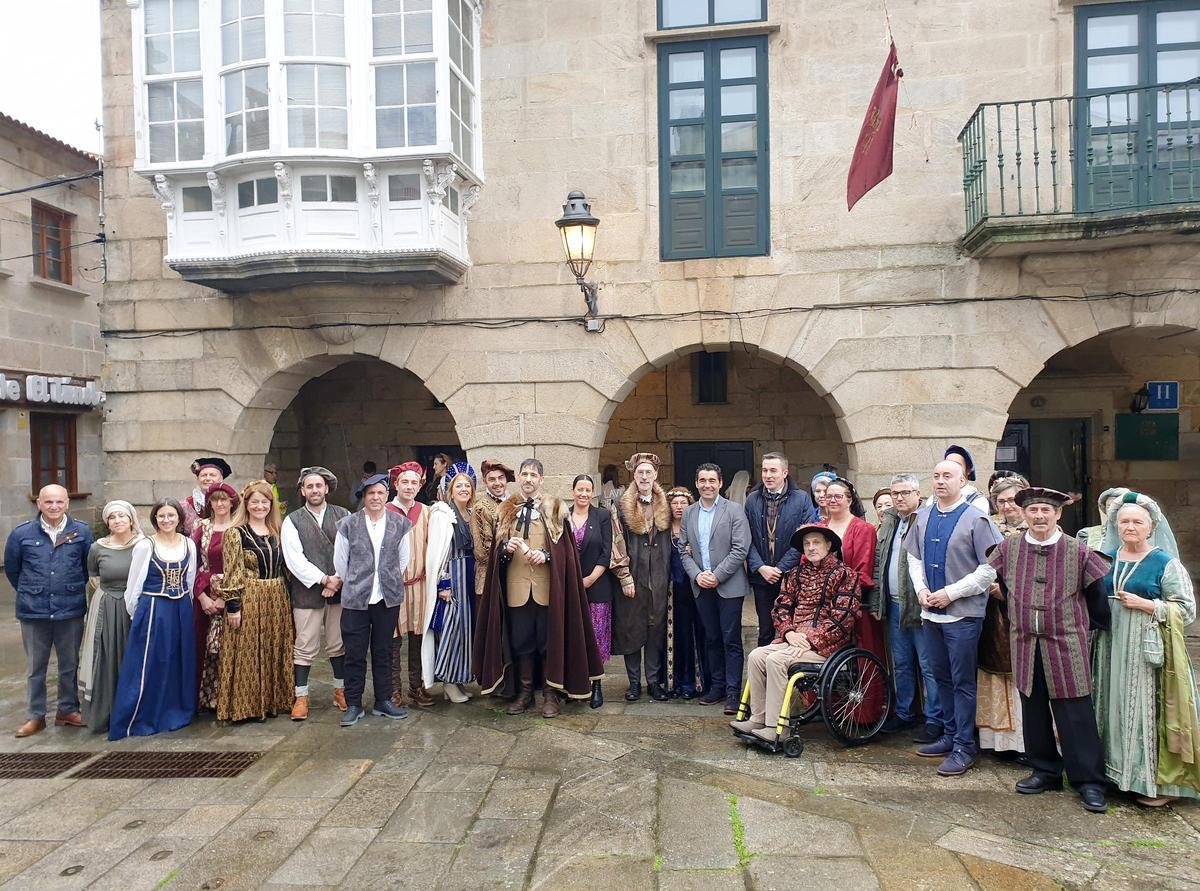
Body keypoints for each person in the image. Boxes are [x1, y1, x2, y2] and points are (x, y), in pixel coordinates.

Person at [988, 487, 1111, 814]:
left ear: (1058, 514)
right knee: (1034, 709)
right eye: (1033, 510)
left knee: (1075, 714)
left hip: (1066, 643)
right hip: (1026, 643)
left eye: (1046, 510)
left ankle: (1089, 782)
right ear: (1024, 514)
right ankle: (1045, 771)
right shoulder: (1007, 548)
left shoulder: (1079, 552)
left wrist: (1086, 627)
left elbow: (1097, 597)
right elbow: (1003, 586)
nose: (1039, 516)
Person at [1093, 492, 1200, 806]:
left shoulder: (1165, 563)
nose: (1129, 526)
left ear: (1150, 526)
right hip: (1110, 644)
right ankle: (1116, 775)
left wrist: (1148, 605)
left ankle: (1153, 782)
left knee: (1144, 709)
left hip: (1147, 650)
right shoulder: (1106, 558)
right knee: (1110, 706)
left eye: (1137, 521)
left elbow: (1187, 609)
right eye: (1124, 521)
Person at [474, 458, 602, 717]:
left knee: (547, 642)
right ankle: (524, 693)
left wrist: (546, 555)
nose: (529, 479)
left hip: (546, 589)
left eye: (534, 474)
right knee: (522, 642)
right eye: (525, 474)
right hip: (516, 589)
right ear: (519, 478)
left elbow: (566, 553)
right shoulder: (506, 510)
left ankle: (550, 694)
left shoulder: (555, 508)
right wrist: (505, 550)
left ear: (541, 479)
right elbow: (495, 556)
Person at [905, 460, 1003, 777]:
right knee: (940, 676)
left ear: (963, 481)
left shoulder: (977, 518)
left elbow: (989, 568)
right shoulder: (922, 515)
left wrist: (951, 593)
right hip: (930, 613)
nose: (940, 481)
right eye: (935, 476)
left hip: (963, 615)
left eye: (948, 476)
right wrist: (920, 589)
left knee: (962, 681)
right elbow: (913, 556)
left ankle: (964, 746)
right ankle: (948, 735)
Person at [732, 525, 860, 742]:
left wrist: (809, 640)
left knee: (776, 660)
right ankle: (759, 718)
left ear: (828, 546)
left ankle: (777, 728)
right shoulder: (795, 574)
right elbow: (780, 608)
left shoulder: (845, 575)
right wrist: (789, 632)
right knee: (756, 656)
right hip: (793, 639)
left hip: (826, 646)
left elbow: (842, 618)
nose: (811, 548)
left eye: (816, 542)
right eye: (806, 544)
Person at [5, 484, 93, 737]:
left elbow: (88, 567)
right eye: (48, 502)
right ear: (39, 504)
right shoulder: (22, 534)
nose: (54, 507)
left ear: (67, 503)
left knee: (69, 663)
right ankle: (36, 716)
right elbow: (13, 570)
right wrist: (33, 590)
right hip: (34, 611)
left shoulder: (81, 532)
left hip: (70, 609)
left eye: (59, 502)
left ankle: (67, 709)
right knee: (36, 666)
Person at [109, 498, 197, 740]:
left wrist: (186, 609)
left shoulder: (189, 544)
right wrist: (136, 614)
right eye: (161, 516)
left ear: (180, 518)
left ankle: (175, 711)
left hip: (180, 608)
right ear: (155, 519)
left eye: (171, 515)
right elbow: (134, 584)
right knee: (149, 663)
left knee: (176, 660)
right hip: (153, 609)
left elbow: (189, 580)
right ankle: (141, 716)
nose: (166, 520)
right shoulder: (145, 546)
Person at [333, 472, 412, 726]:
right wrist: (358, 581)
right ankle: (354, 703)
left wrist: (385, 579)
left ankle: (383, 700)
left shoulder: (400, 524)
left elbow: (403, 560)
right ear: (364, 497)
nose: (376, 497)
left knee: (384, 651)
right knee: (354, 653)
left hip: (387, 598)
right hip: (356, 599)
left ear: (387, 496)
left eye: (380, 493)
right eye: (371, 493)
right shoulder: (348, 524)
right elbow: (340, 562)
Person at [217, 480, 294, 722]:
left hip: (278, 596)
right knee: (249, 650)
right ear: (246, 504)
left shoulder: (278, 532)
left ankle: (275, 701)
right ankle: (245, 706)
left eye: (265, 502)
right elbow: (231, 571)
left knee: (275, 647)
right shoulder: (235, 533)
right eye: (255, 502)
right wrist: (233, 606)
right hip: (250, 596)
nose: (260, 506)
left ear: (271, 505)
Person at [874, 474, 943, 740]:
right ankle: (904, 713)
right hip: (892, 605)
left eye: (905, 493)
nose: (899, 498)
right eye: (895, 493)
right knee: (901, 664)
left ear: (918, 494)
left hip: (919, 607)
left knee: (928, 666)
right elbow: (880, 562)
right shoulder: (890, 521)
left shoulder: (927, 519)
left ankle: (934, 719)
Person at [680, 462, 752, 716]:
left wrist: (717, 575)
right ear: (696, 483)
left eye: (712, 480)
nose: (707, 485)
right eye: (702, 480)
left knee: (731, 638)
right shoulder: (689, 513)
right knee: (711, 638)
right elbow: (683, 548)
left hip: (729, 586)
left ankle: (733, 691)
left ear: (721, 483)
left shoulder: (734, 510)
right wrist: (698, 575)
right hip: (701, 586)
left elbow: (740, 548)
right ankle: (717, 686)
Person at [280, 467, 351, 720]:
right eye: (309, 486)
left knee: (337, 643)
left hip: (339, 590)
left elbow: (350, 552)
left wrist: (336, 580)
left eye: (318, 486)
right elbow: (293, 559)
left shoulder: (343, 515)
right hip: (307, 591)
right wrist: (323, 579)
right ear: (302, 490)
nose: (314, 490)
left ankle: (340, 691)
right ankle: (301, 696)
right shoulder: (292, 520)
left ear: (326, 488)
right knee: (305, 645)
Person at [820, 478, 885, 724]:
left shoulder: (863, 529)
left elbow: (862, 570)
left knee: (861, 658)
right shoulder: (818, 526)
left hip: (855, 604)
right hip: (822, 605)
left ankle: (864, 713)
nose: (833, 500)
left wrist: (838, 595)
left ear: (849, 500)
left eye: (839, 496)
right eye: (829, 496)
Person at [976, 474, 1030, 756]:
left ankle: (1024, 740)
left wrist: (1008, 591)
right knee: (993, 669)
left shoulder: (1033, 528)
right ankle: (997, 739)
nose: (1008, 506)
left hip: (1021, 611)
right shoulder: (989, 527)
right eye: (1002, 500)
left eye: (1013, 500)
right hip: (992, 613)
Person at [612, 452, 673, 703]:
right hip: (633, 578)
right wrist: (624, 576)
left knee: (655, 631)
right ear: (634, 476)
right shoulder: (621, 505)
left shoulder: (665, 505)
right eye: (640, 473)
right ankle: (634, 682)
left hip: (659, 579)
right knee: (632, 631)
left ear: (656, 475)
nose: (644, 477)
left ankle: (654, 682)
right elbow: (616, 541)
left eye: (648, 472)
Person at [80, 501, 144, 735]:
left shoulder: (143, 545)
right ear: (107, 522)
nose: (117, 520)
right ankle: (105, 712)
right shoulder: (98, 547)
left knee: (133, 655)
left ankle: (134, 712)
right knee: (107, 657)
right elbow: (93, 577)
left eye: (122, 516)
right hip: (107, 606)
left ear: (131, 519)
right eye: (112, 517)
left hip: (134, 606)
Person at [744, 453, 817, 649]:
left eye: (773, 471)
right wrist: (760, 566)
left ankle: (789, 675)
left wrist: (780, 568)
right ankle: (764, 675)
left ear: (785, 472)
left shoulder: (801, 499)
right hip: (761, 577)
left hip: (792, 577)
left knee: (792, 628)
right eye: (765, 470)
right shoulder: (752, 500)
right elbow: (745, 538)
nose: (768, 475)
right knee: (765, 629)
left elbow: (806, 536)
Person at [421, 462, 478, 704]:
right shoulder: (443, 514)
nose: (464, 489)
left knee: (466, 631)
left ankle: (459, 679)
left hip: (469, 574)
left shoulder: (472, 513)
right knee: (451, 630)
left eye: (468, 485)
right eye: (459, 485)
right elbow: (436, 551)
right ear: (450, 488)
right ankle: (448, 682)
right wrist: (442, 584)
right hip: (452, 576)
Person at [568, 474, 619, 709]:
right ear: (573, 491)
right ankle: (576, 684)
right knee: (574, 635)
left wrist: (589, 579)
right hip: (569, 586)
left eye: (588, 490)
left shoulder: (603, 516)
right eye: (580, 489)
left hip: (597, 585)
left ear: (593, 492)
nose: (584, 494)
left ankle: (596, 684)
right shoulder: (563, 515)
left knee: (597, 638)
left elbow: (606, 551)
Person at [387, 462, 434, 708]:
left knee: (417, 638)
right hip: (394, 586)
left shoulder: (426, 512)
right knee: (392, 640)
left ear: (420, 486)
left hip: (420, 584)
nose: (409, 486)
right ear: (395, 484)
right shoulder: (384, 511)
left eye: (414, 482)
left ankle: (417, 687)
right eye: (404, 482)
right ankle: (394, 690)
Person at [191, 482, 238, 711]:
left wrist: (226, 597)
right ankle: (205, 698)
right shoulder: (202, 527)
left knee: (230, 647)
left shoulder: (240, 527)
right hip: (205, 593)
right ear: (209, 503)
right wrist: (201, 596)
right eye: (215, 500)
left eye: (224, 499)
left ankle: (229, 698)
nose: (220, 504)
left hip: (233, 594)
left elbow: (242, 566)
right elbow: (193, 565)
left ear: (232, 502)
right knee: (204, 646)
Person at [471, 460, 515, 598]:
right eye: (492, 479)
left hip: (513, 578)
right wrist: (507, 550)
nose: (497, 483)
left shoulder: (515, 502)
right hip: (490, 580)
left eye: (500, 478)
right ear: (485, 482)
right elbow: (482, 553)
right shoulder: (480, 508)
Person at [181, 457, 232, 536]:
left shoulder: (231, 503)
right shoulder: (184, 506)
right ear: (198, 479)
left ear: (221, 479)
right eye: (204, 475)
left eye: (212, 475)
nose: (208, 478)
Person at [937, 445, 988, 509]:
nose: (950, 469)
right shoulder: (933, 500)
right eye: (947, 464)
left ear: (968, 470)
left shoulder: (978, 501)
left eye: (957, 465)